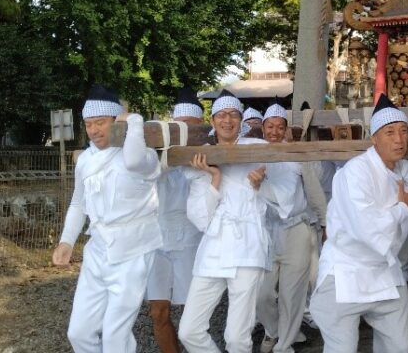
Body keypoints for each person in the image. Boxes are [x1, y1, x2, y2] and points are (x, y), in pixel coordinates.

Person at [309, 94, 408, 353]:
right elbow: (366, 228)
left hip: (385, 272)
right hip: (345, 272)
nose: (399, 139)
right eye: (390, 132)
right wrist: (402, 208)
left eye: (403, 131)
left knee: (398, 346)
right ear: (374, 138)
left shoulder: (404, 170)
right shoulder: (354, 172)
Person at [177, 90, 295, 353]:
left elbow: (288, 195)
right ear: (213, 120)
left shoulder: (259, 150)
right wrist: (214, 179)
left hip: (248, 246)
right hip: (214, 248)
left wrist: (261, 186)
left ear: (241, 120)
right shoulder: (202, 156)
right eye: (221, 115)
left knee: (237, 338)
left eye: (233, 114)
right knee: (189, 330)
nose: (227, 120)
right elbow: (199, 218)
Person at [52, 84, 162, 353]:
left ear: (116, 120)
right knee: (78, 333)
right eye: (89, 124)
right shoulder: (86, 160)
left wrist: (134, 120)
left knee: (115, 337)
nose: (93, 130)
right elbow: (79, 202)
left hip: (133, 251)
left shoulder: (142, 155)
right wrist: (66, 241)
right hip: (98, 251)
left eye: (100, 122)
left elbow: (134, 161)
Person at [256, 100, 328, 353]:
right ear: (263, 128)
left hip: (296, 229)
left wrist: (325, 222)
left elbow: (315, 193)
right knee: (261, 293)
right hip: (263, 232)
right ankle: (273, 331)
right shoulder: (252, 153)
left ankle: (284, 345)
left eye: (280, 127)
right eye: (270, 126)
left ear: (286, 130)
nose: (274, 132)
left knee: (291, 294)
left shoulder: (298, 156)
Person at [147, 87, 205, 353]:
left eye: (192, 127)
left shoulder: (208, 154)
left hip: (191, 241)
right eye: (180, 127)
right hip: (157, 241)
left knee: (194, 315)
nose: (186, 133)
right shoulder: (156, 154)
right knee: (158, 311)